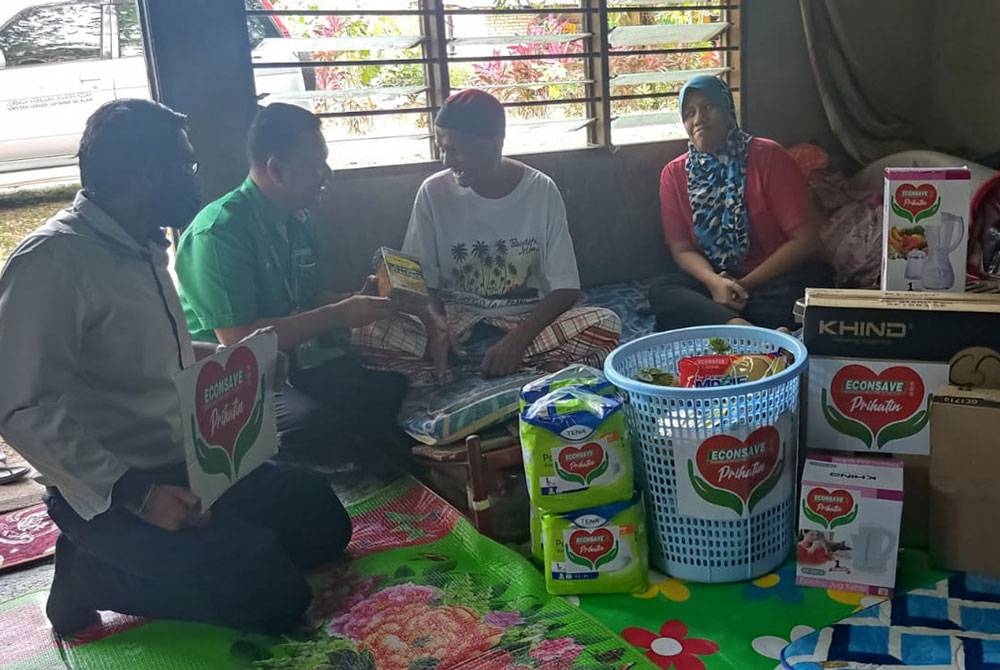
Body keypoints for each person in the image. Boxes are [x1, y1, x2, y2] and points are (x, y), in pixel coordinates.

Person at [0, 99, 351, 637]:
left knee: (322, 523)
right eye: (185, 166)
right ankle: (88, 571)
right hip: (115, 490)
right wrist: (138, 497)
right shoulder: (52, 263)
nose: (198, 176)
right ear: (144, 174)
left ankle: (207, 547)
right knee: (274, 596)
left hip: (188, 464)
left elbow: (157, 351)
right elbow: (19, 407)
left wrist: (246, 362)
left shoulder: (142, 243)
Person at [174, 103, 409, 467]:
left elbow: (306, 299)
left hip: (292, 359)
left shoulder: (298, 219)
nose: (326, 174)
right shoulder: (219, 232)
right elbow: (238, 341)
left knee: (385, 390)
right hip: (229, 378)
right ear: (277, 169)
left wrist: (355, 302)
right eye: (316, 163)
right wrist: (338, 315)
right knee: (313, 424)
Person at [354, 89, 621, 383]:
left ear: (495, 144)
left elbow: (565, 288)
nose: (446, 160)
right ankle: (515, 372)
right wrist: (436, 325)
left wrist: (517, 340)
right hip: (457, 320)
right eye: (442, 148)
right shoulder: (433, 193)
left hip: (526, 321)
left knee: (605, 324)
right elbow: (421, 281)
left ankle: (456, 373)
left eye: (456, 150)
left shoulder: (540, 190)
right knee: (367, 334)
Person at [648, 75, 832, 331]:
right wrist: (715, 283)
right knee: (662, 291)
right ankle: (743, 329)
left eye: (708, 107)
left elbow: (806, 239)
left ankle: (724, 325)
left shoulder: (767, 156)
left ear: (728, 110)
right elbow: (682, 249)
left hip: (776, 278)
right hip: (718, 284)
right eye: (689, 113)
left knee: (806, 298)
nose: (698, 119)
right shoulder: (674, 174)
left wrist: (743, 285)